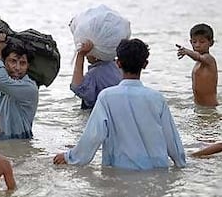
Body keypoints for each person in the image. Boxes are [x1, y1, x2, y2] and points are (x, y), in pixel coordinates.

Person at [53, 38, 186, 170]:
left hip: (121, 169)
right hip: (157, 172)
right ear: (145, 64)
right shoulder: (157, 98)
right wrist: (181, 163)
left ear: (118, 63)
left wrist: (69, 157)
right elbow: (171, 139)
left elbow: (93, 136)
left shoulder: (107, 97)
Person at [71, 41, 122, 109]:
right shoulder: (120, 67)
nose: (86, 55)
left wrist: (81, 55)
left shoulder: (95, 74)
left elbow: (77, 87)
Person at [177, 23, 218, 107]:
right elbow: (196, 57)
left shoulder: (209, 59)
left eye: (202, 42)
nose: (197, 45)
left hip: (209, 107)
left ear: (211, 43)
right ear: (190, 42)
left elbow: (198, 57)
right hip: (199, 106)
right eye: (194, 42)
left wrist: (187, 52)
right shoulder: (198, 62)